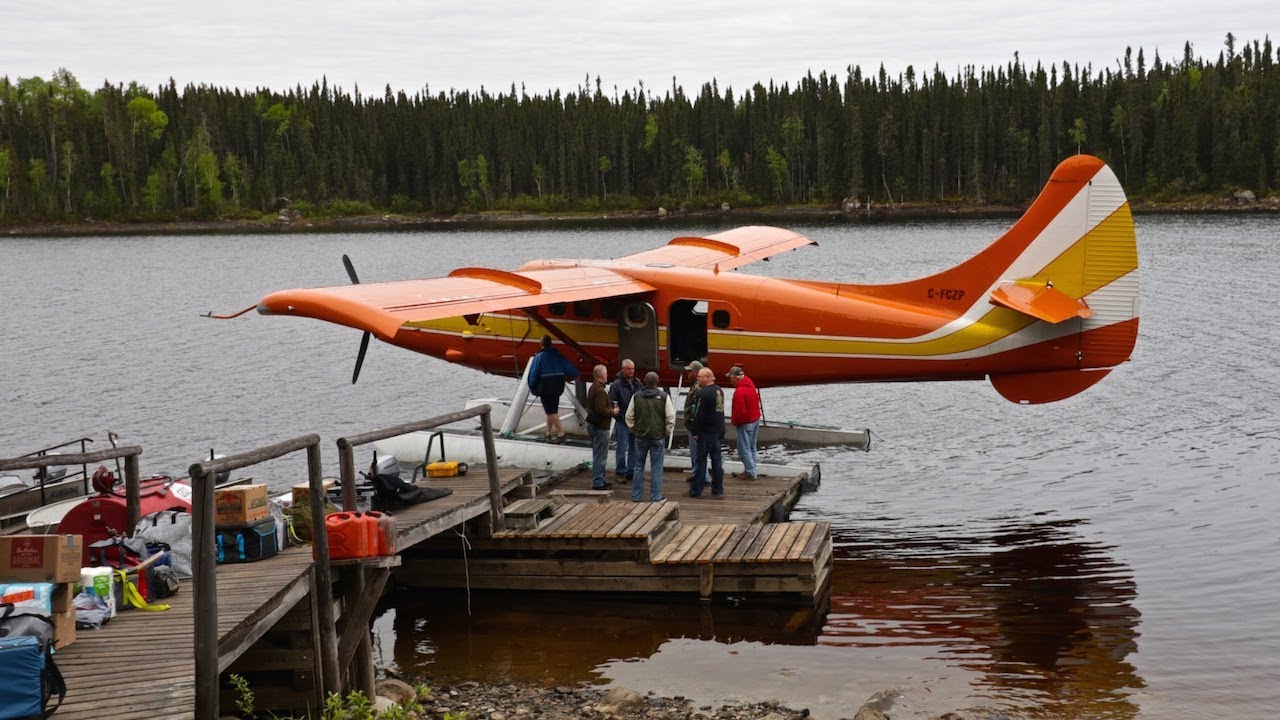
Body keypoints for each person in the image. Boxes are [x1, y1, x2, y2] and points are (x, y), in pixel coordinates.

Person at [625, 371, 675, 502]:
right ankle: (656, 497)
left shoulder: (636, 396)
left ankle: (636, 496)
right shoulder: (664, 397)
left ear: (644, 382)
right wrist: (666, 433)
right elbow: (670, 418)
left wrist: (633, 430)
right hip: (657, 437)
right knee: (656, 468)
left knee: (638, 466)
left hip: (640, 436)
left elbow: (629, 416)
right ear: (657, 382)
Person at [526, 335, 578, 442]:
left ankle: (561, 434)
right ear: (551, 344)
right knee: (552, 410)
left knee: (551, 412)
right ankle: (548, 433)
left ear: (541, 345)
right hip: (558, 385)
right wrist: (575, 375)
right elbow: (568, 367)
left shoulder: (539, 357)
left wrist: (532, 386)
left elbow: (534, 373)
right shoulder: (557, 355)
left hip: (546, 387)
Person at [688, 366, 726, 497]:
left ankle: (696, 490)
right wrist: (722, 430)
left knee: (701, 461)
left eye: (700, 377)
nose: (697, 379)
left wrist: (694, 431)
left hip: (706, 432)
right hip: (717, 431)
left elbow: (700, 415)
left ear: (707, 377)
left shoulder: (703, 393)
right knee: (716, 461)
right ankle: (718, 488)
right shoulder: (719, 391)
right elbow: (720, 412)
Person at [608, 359, 642, 481]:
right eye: (629, 369)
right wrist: (619, 417)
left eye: (632, 369)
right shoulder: (616, 385)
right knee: (621, 447)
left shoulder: (637, 383)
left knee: (634, 447)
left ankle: (631, 471)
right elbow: (612, 403)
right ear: (623, 369)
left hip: (634, 421)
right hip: (622, 421)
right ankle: (620, 471)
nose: (631, 371)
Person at [585, 364, 618, 490]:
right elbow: (600, 409)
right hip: (600, 426)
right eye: (605, 373)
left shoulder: (593, 388)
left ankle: (600, 479)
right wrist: (613, 412)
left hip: (594, 425)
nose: (607, 375)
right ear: (600, 375)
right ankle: (598, 481)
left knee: (597, 453)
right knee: (600, 455)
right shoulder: (599, 390)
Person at [727, 365, 761, 480]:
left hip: (746, 423)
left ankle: (750, 472)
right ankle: (751, 469)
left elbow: (740, 412)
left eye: (730, 378)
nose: (730, 380)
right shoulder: (750, 384)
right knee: (751, 447)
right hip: (755, 419)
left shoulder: (739, 391)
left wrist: (735, 422)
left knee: (744, 449)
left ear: (735, 378)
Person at [682, 360, 707, 486]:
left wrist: (694, 425)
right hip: (693, 426)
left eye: (690, 371)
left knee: (697, 452)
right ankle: (697, 474)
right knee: (696, 452)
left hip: (694, 426)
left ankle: (702, 477)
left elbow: (696, 408)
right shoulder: (696, 386)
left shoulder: (697, 388)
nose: (687, 373)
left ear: (696, 373)